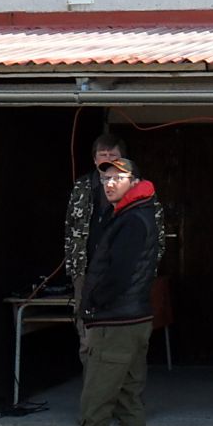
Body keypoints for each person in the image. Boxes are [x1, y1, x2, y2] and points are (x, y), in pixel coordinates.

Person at [48, 158, 162, 426]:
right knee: (128, 398)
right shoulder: (133, 215)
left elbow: (118, 275)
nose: (109, 183)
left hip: (115, 324)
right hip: (132, 320)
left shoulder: (131, 221)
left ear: (134, 180)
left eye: (118, 177)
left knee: (96, 401)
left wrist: (93, 307)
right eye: (106, 177)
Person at [64, 133, 164, 365]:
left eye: (113, 156)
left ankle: (113, 392)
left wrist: (149, 268)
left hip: (126, 273)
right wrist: (74, 267)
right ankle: (93, 381)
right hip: (86, 268)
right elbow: (70, 227)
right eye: (103, 155)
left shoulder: (139, 193)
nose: (107, 159)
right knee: (88, 333)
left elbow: (156, 233)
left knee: (123, 334)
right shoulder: (82, 187)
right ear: (94, 159)